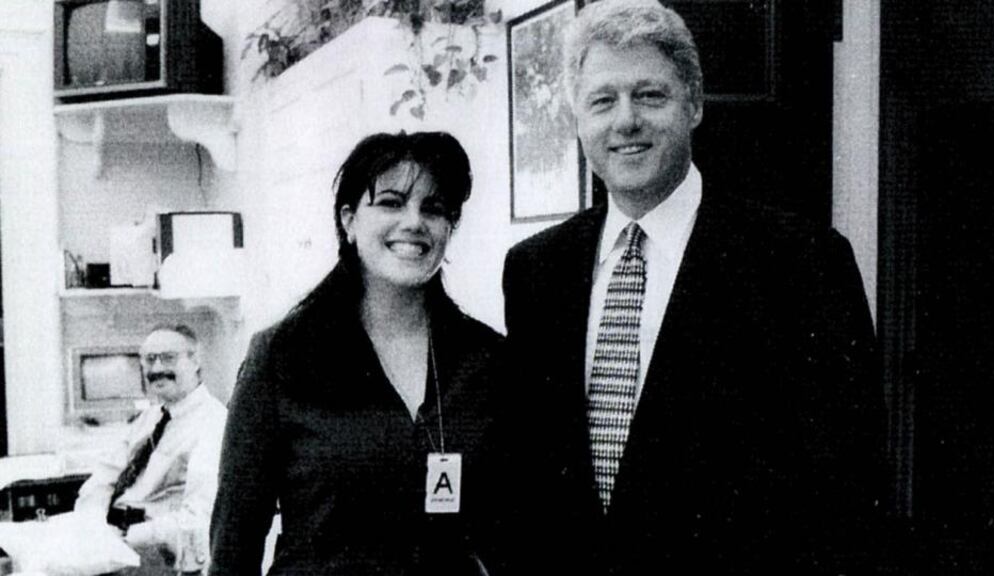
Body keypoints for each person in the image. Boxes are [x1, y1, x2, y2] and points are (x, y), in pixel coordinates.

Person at [500, 0, 889, 573]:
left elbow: (846, 491)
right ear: (578, 120)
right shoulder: (536, 270)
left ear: (695, 105)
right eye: (602, 100)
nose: (625, 120)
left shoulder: (802, 263)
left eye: (650, 95)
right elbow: (530, 475)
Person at [208, 131, 505, 576]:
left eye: (434, 208)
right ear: (348, 220)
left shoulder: (487, 359)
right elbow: (235, 546)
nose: (414, 221)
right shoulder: (282, 356)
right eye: (390, 202)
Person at [74, 323, 227, 575]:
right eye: (149, 359)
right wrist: (94, 526)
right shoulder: (149, 418)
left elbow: (198, 518)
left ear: (195, 361)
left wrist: (125, 537)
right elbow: (103, 477)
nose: (157, 369)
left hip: (154, 552)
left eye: (168, 358)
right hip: (109, 540)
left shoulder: (214, 424)